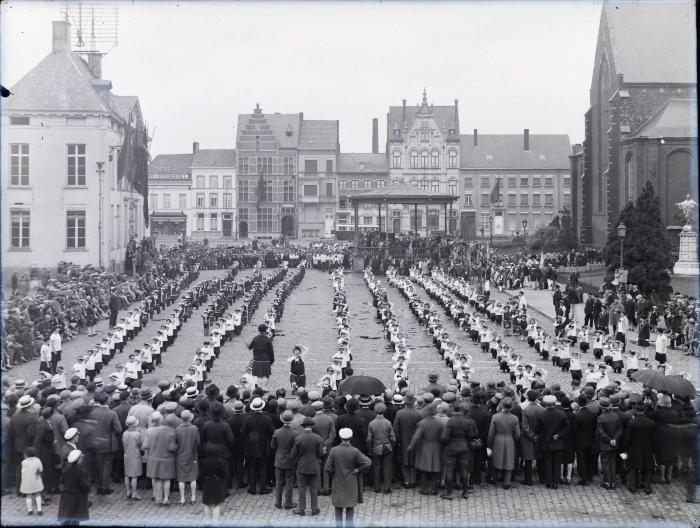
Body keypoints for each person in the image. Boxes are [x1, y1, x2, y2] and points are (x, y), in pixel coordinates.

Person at [325, 428, 371, 528]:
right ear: (351, 437)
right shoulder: (354, 451)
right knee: (350, 507)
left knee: (338, 506)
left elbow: (327, 467)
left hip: (337, 481)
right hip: (351, 482)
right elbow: (368, 462)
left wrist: (333, 474)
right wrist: (358, 470)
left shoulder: (334, 450)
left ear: (340, 437)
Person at [441, 402, 479, 499]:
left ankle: (449, 493)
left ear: (454, 410)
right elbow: (472, 436)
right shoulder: (468, 421)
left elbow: (445, 437)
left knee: (450, 469)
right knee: (464, 469)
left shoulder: (451, 421)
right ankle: (465, 492)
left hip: (451, 447)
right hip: (464, 447)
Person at [88, 391, 122, 495]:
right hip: (108, 443)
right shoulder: (111, 413)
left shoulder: (91, 412)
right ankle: (105, 487)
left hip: (94, 443)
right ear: (106, 401)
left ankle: (98, 487)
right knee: (107, 466)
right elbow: (118, 429)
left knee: (97, 466)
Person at [290, 416, 324, 516]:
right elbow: (321, 453)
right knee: (314, 488)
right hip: (314, 466)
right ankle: (314, 509)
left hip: (302, 466)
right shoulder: (318, 438)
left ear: (303, 426)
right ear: (311, 426)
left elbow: (293, 454)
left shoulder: (298, 438)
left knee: (302, 488)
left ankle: (302, 509)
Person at [408, 403, 444, 495]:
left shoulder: (422, 423)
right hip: (436, 447)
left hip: (425, 447)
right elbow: (443, 437)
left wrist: (411, 445)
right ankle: (433, 489)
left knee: (424, 470)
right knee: (435, 469)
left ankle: (424, 489)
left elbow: (416, 436)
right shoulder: (440, 423)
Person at [144, 411, 177, 506]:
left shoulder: (149, 431)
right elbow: (172, 447)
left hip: (154, 457)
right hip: (167, 458)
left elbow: (145, 445)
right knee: (166, 479)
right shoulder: (169, 431)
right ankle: (166, 498)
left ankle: (158, 497)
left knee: (157, 479)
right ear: (161, 419)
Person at [487, 397, 520, 489]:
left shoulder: (495, 417)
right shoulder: (515, 418)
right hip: (509, 439)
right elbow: (517, 434)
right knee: (509, 460)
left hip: (498, 439)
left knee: (496, 458)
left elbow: (491, 433)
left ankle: (496, 477)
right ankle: (507, 482)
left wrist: (489, 443)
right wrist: (515, 441)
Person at [271, 410, 299, 510]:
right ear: (291, 420)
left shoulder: (276, 432)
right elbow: (296, 448)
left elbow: (272, 446)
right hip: (290, 461)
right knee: (289, 482)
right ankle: (288, 503)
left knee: (278, 482)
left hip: (279, 459)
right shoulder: (295, 433)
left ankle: (278, 503)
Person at [366, 403, 396, 494]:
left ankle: (377, 487)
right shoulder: (388, 422)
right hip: (387, 447)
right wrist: (392, 446)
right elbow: (393, 437)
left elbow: (368, 439)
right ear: (384, 411)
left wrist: (369, 449)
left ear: (375, 411)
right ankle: (387, 488)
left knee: (376, 467)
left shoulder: (371, 423)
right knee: (387, 468)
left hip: (376, 448)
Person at [58, 449, 90, 525]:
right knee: (75, 519)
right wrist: (87, 488)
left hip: (66, 497)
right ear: (77, 459)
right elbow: (84, 485)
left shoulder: (66, 469)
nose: (82, 460)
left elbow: (62, 481)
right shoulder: (80, 471)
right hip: (77, 497)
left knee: (66, 517)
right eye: (81, 458)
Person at [175, 410, 199, 505]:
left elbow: (175, 443)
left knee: (181, 478)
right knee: (192, 477)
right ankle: (193, 498)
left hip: (180, 455)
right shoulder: (194, 429)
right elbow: (198, 443)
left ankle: (182, 499)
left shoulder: (177, 429)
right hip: (192, 455)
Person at [200, 443, 227, 524]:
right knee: (216, 505)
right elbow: (224, 475)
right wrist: (221, 480)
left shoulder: (203, 462)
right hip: (217, 484)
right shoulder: (221, 462)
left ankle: (207, 522)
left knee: (207, 504)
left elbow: (201, 475)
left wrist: (204, 482)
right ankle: (215, 523)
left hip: (207, 484)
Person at [247, 324, 275, 390]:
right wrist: (272, 360)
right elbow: (271, 351)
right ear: (265, 330)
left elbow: (250, 347)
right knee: (265, 375)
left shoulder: (255, 338)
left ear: (258, 330)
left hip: (257, 360)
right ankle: (264, 388)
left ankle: (259, 389)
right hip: (266, 360)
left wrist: (246, 344)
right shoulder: (268, 339)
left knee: (259, 376)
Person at [122, 416, 144, 501]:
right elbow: (140, 444)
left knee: (127, 475)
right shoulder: (137, 434)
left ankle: (128, 492)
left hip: (126, 455)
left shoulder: (124, 433)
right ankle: (134, 493)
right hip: (135, 456)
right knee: (134, 476)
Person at [20, 447, 43, 516]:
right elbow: (41, 469)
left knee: (28, 495)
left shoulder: (23, 462)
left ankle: (30, 510)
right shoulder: (38, 460)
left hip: (27, 481)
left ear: (26, 454)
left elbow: (23, 471)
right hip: (36, 480)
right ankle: (39, 510)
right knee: (38, 494)